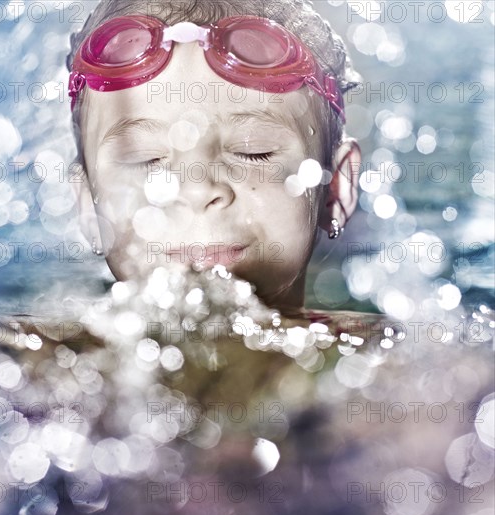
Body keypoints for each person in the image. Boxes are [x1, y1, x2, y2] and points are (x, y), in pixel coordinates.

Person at [66, 0, 362, 317]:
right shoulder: (38, 354)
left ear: (335, 189)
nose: (196, 190)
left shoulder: (381, 355)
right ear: (89, 208)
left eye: (253, 152)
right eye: (144, 159)